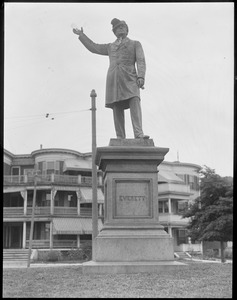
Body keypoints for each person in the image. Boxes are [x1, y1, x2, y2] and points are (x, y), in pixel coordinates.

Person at [73, 18, 149, 139]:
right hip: (114, 80)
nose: (121, 28)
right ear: (114, 32)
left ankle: (139, 134)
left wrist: (141, 77)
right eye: (118, 27)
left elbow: (141, 61)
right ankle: (120, 137)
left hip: (130, 79)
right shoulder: (110, 47)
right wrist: (82, 35)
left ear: (127, 30)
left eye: (123, 26)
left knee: (135, 101)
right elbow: (94, 48)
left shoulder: (135, 44)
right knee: (117, 106)